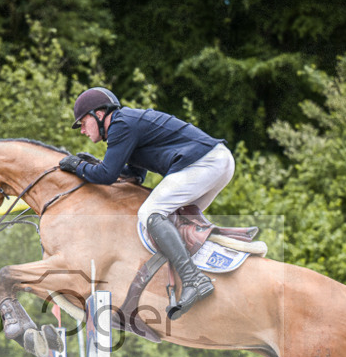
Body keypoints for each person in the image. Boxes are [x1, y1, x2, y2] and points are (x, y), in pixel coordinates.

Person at [58, 87, 235, 320]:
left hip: (204, 163)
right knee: (175, 223)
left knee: (150, 213)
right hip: (217, 161)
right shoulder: (126, 125)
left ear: (99, 114)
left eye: (83, 122)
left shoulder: (121, 124)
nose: (81, 130)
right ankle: (200, 275)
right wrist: (94, 165)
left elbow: (106, 176)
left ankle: (194, 279)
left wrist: (76, 166)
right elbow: (134, 176)